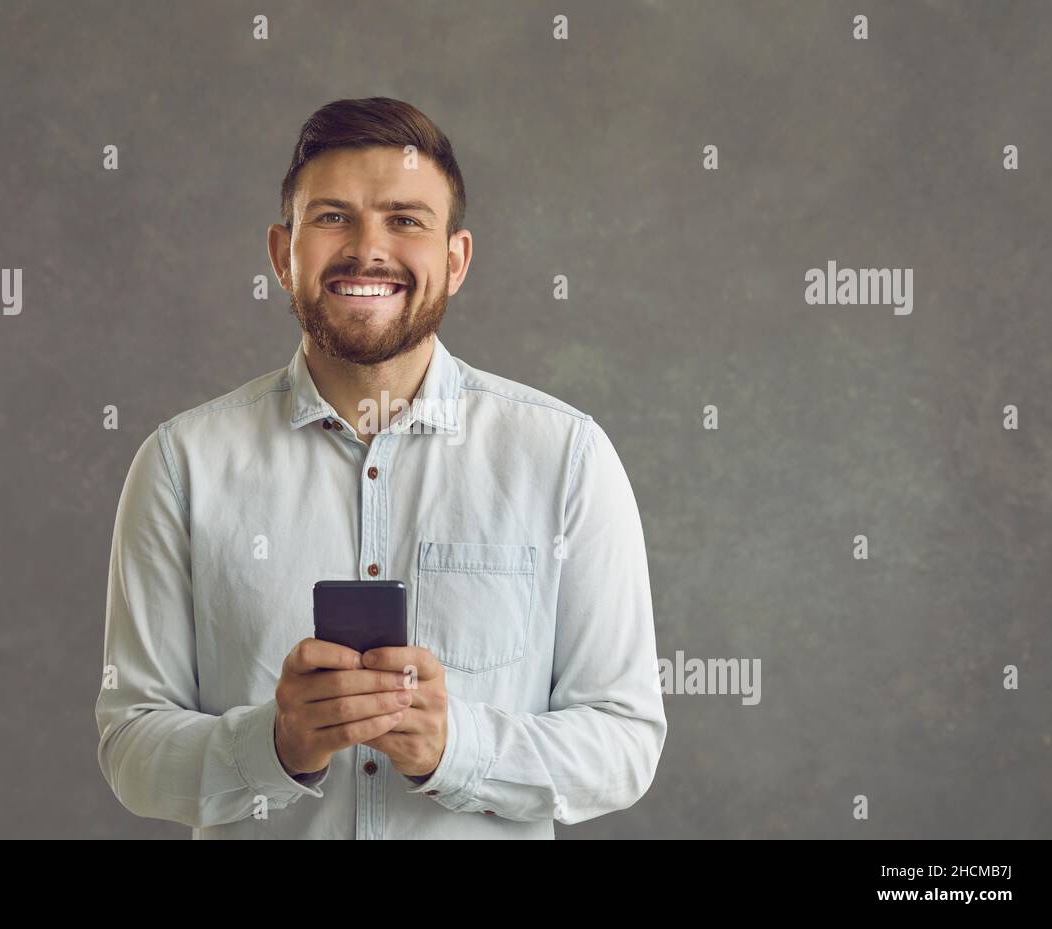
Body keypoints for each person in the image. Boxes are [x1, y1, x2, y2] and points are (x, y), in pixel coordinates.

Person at [95, 96, 666, 838]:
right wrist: (274, 745)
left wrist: (458, 748)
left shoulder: (565, 458)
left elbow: (625, 743)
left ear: (455, 260)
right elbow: (131, 746)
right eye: (332, 216)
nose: (369, 250)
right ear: (281, 254)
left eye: (405, 219)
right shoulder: (181, 464)